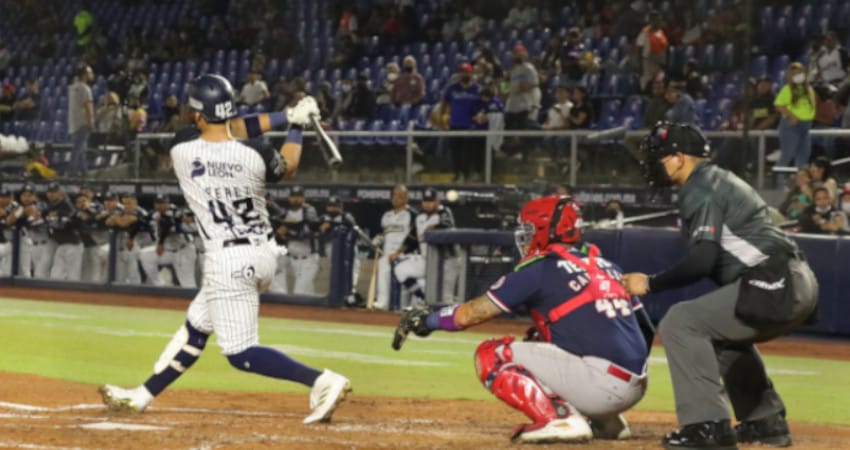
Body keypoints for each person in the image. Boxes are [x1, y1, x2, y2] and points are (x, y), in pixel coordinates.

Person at [99, 74, 351, 423]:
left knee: (240, 352)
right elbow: (286, 164)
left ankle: (322, 380)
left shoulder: (182, 146)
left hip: (227, 259)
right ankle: (142, 395)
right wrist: (295, 125)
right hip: (262, 254)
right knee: (196, 326)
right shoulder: (257, 153)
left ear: (198, 113)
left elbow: (230, 126)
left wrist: (286, 116)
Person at [622, 122, 819, 449]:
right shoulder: (719, 178)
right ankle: (764, 422)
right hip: (796, 280)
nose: (655, 163)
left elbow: (702, 261)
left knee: (679, 322)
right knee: (721, 335)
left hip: (776, 281)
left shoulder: (699, 187)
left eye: (660, 156)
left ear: (680, 158)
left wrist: (651, 284)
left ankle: (707, 426)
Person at [393, 195, 651, 444]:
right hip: (636, 385)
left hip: (601, 387)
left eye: (529, 228)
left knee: (491, 354)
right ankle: (608, 422)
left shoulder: (538, 269)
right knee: (538, 337)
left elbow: (472, 314)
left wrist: (428, 321)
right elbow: (646, 329)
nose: (525, 235)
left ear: (545, 230)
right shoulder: (607, 266)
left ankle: (559, 419)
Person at [392, 188, 460, 305]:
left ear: (437, 202)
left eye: (431, 201)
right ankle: (423, 297)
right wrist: (398, 252)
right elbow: (411, 238)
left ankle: (449, 320)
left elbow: (447, 225)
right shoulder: (419, 217)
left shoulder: (444, 212)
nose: (428, 204)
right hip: (426, 260)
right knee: (400, 270)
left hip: (446, 261)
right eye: (425, 201)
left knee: (445, 298)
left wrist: (433, 228)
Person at [138, 194, 197, 287]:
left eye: (163, 203)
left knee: (187, 284)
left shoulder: (177, 211)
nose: (160, 205)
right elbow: (142, 220)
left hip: (183, 251)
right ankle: (159, 285)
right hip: (167, 252)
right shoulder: (155, 214)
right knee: (145, 255)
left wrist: (160, 243)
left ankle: (193, 300)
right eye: (158, 203)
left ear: (168, 203)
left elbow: (168, 224)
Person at [270, 186, 320, 295]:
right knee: (274, 272)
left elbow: (305, 229)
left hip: (308, 258)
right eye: (293, 196)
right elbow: (279, 228)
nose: (296, 199)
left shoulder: (309, 210)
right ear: (289, 198)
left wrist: (287, 230)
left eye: (299, 196)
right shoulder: (287, 213)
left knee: (300, 293)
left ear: (304, 198)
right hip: (291, 257)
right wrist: (280, 232)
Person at [374, 184, 417, 310]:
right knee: (382, 269)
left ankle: (402, 307)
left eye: (399, 196)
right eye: (394, 195)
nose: (395, 199)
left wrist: (402, 252)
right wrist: (379, 239)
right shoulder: (386, 215)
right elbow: (383, 233)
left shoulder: (412, 214)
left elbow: (414, 236)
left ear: (406, 198)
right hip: (388, 253)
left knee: (403, 280)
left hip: (405, 254)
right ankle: (382, 302)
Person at [774, 62, 816, 178]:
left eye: (799, 73)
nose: (797, 76)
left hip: (806, 126)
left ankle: (799, 184)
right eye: (794, 74)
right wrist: (790, 115)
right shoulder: (787, 89)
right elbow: (778, 105)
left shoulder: (808, 89)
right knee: (788, 154)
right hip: (791, 126)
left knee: (803, 156)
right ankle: (780, 182)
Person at [44, 183, 83, 281]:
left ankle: (75, 296)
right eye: (49, 192)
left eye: (54, 192)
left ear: (60, 193)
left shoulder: (67, 206)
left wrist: (52, 221)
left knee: (73, 277)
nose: (51, 194)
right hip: (61, 245)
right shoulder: (51, 206)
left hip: (73, 245)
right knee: (56, 276)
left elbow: (67, 224)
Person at [68, 64, 95, 177]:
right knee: (78, 149)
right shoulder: (85, 88)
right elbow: (87, 107)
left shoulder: (72, 87)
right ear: (84, 75)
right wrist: (91, 122)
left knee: (81, 149)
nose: (92, 75)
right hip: (83, 123)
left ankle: (84, 172)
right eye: (90, 73)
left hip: (73, 123)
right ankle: (72, 173)